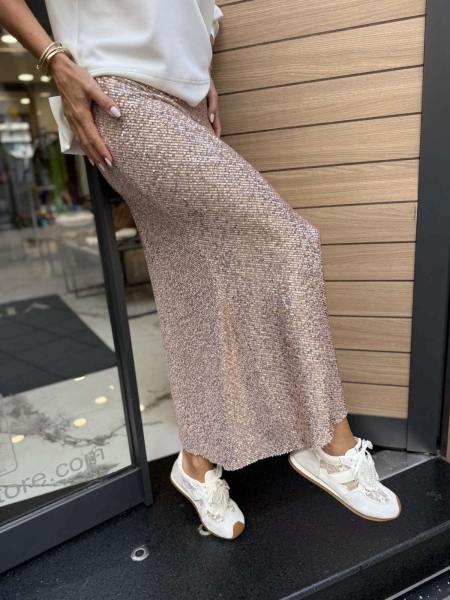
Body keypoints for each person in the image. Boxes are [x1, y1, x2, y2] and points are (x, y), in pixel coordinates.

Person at [0, 0, 401, 540]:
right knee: (288, 241)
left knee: (191, 284)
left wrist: (198, 70)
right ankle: (332, 444)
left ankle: (195, 464)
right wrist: (54, 59)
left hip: (185, 103)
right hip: (119, 96)